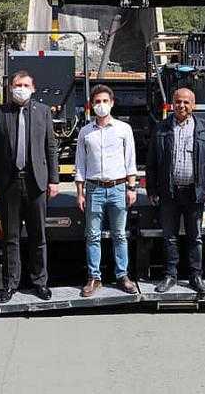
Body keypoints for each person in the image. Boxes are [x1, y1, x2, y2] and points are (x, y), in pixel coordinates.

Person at [0, 70, 59, 303]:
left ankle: (40, 282)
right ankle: (10, 284)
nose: (21, 89)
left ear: (33, 88)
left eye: (25, 85)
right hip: (9, 183)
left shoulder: (43, 112)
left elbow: (51, 147)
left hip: (36, 181)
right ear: (10, 88)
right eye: (17, 85)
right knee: (10, 237)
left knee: (39, 235)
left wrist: (54, 180)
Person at [146, 88, 205, 295]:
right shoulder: (161, 128)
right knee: (169, 236)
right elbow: (151, 162)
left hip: (194, 192)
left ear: (193, 105)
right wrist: (151, 189)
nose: (181, 106)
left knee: (195, 237)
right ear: (172, 103)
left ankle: (195, 276)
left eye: (186, 102)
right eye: (178, 102)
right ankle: (170, 275)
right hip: (168, 192)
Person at [74, 84, 138, 297]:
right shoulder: (85, 132)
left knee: (120, 235)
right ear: (91, 105)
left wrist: (131, 187)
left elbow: (130, 160)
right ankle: (94, 277)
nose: (101, 105)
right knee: (92, 235)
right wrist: (80, 192)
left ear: (112, 103)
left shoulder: (123, 129)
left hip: (118, 188)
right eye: (97, 102)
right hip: (94, 189)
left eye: (104, 101)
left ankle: (122, 276)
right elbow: (80, 164)